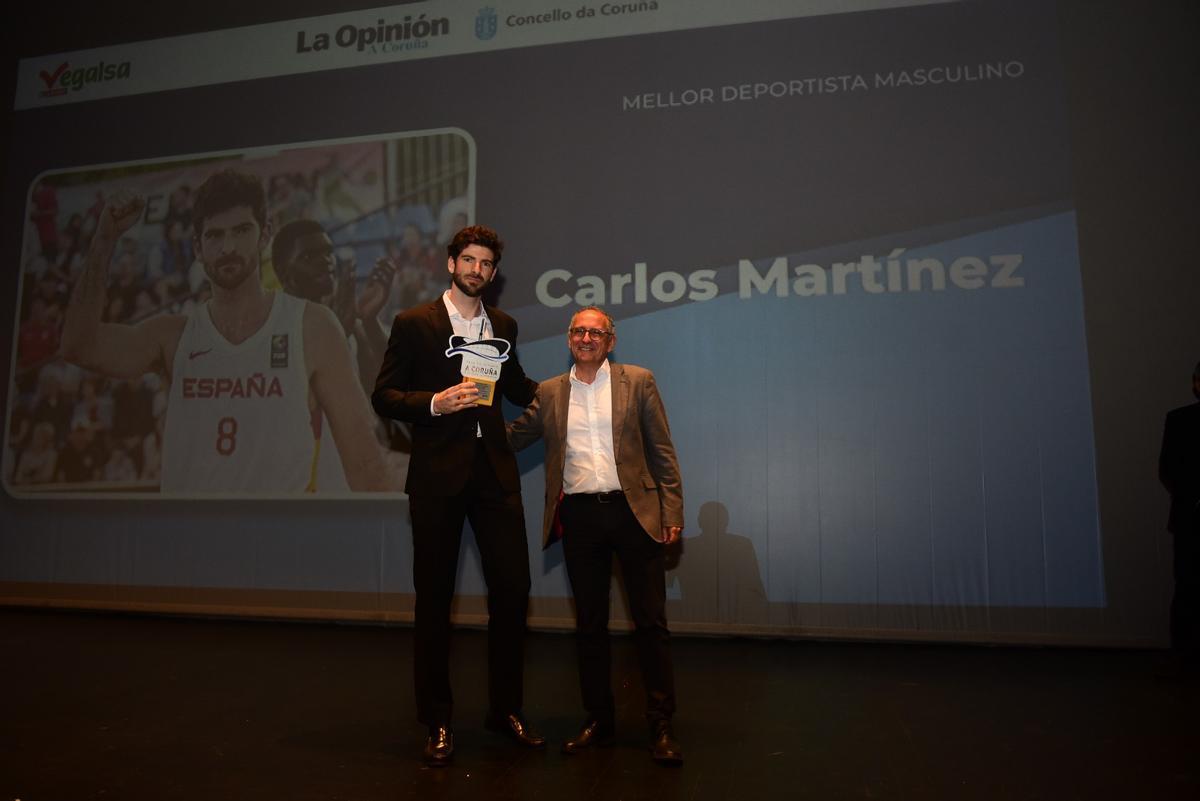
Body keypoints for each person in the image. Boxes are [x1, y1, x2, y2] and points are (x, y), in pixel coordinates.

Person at [59, 169, 390, 494]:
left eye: (241, 231)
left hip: (280, 542)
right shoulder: (173, 336)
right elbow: (79, 346)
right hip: (190, 542)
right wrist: (104, 240)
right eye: (214, 235)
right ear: (198, 248)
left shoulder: (311, 326)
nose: (228, 247)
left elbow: (365, 464)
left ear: (263, 234)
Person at [371, 225, 542, 764]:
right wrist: (433, 404)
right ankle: (437, 720)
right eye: (468, 260)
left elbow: (518, 388)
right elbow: (385, 396)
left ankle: (504, 710)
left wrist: (578, 389)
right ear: (451, 264)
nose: (476, 270)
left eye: (486, 264)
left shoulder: (505, 326)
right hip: (438, 479)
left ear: (493, 273)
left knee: (513, 593)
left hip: (494, 477)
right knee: (435, 602)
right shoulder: (414, 323)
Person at [508, 305, 685, 764]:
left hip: (636, 514)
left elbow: (662, 451)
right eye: (578, 331)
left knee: (650, 624)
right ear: (569, 339)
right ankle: (599, 721)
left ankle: (660, 724)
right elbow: (510, 438)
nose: (586, 338)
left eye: (596, 332)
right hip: (580, 519)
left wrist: (672, 509)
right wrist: (466, 413)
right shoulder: (549, 393)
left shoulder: (638, 380)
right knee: (590, 627)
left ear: (610, 341)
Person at [1159, 361, 1200, 672]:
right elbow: (1167, 470)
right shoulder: (1179, 420)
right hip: (1190, 519)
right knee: (1186, 589)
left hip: (1188, 514)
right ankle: (1183, 656)